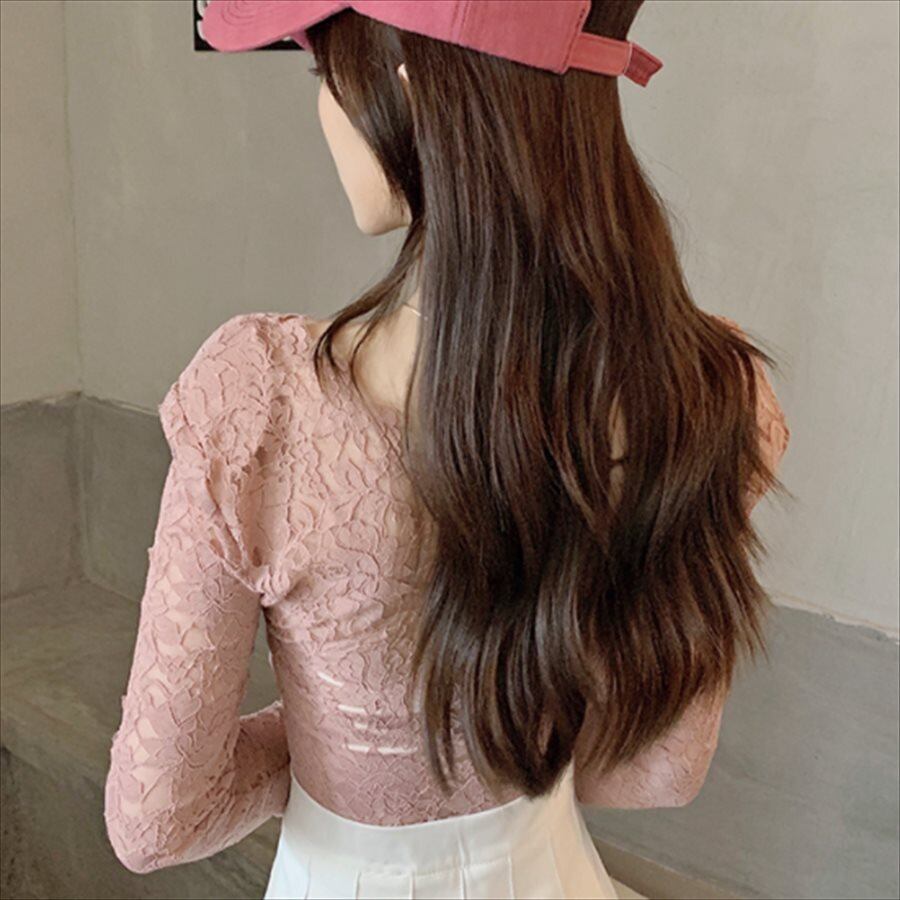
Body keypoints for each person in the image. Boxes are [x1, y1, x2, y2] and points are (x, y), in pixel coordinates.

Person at [103, 2, 792, 898]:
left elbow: (159, 817)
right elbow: (658, 771)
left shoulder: (259, 402)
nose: (325, 110)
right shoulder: (712, 393)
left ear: (414, 97)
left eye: (324, 74)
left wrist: (340, 739)